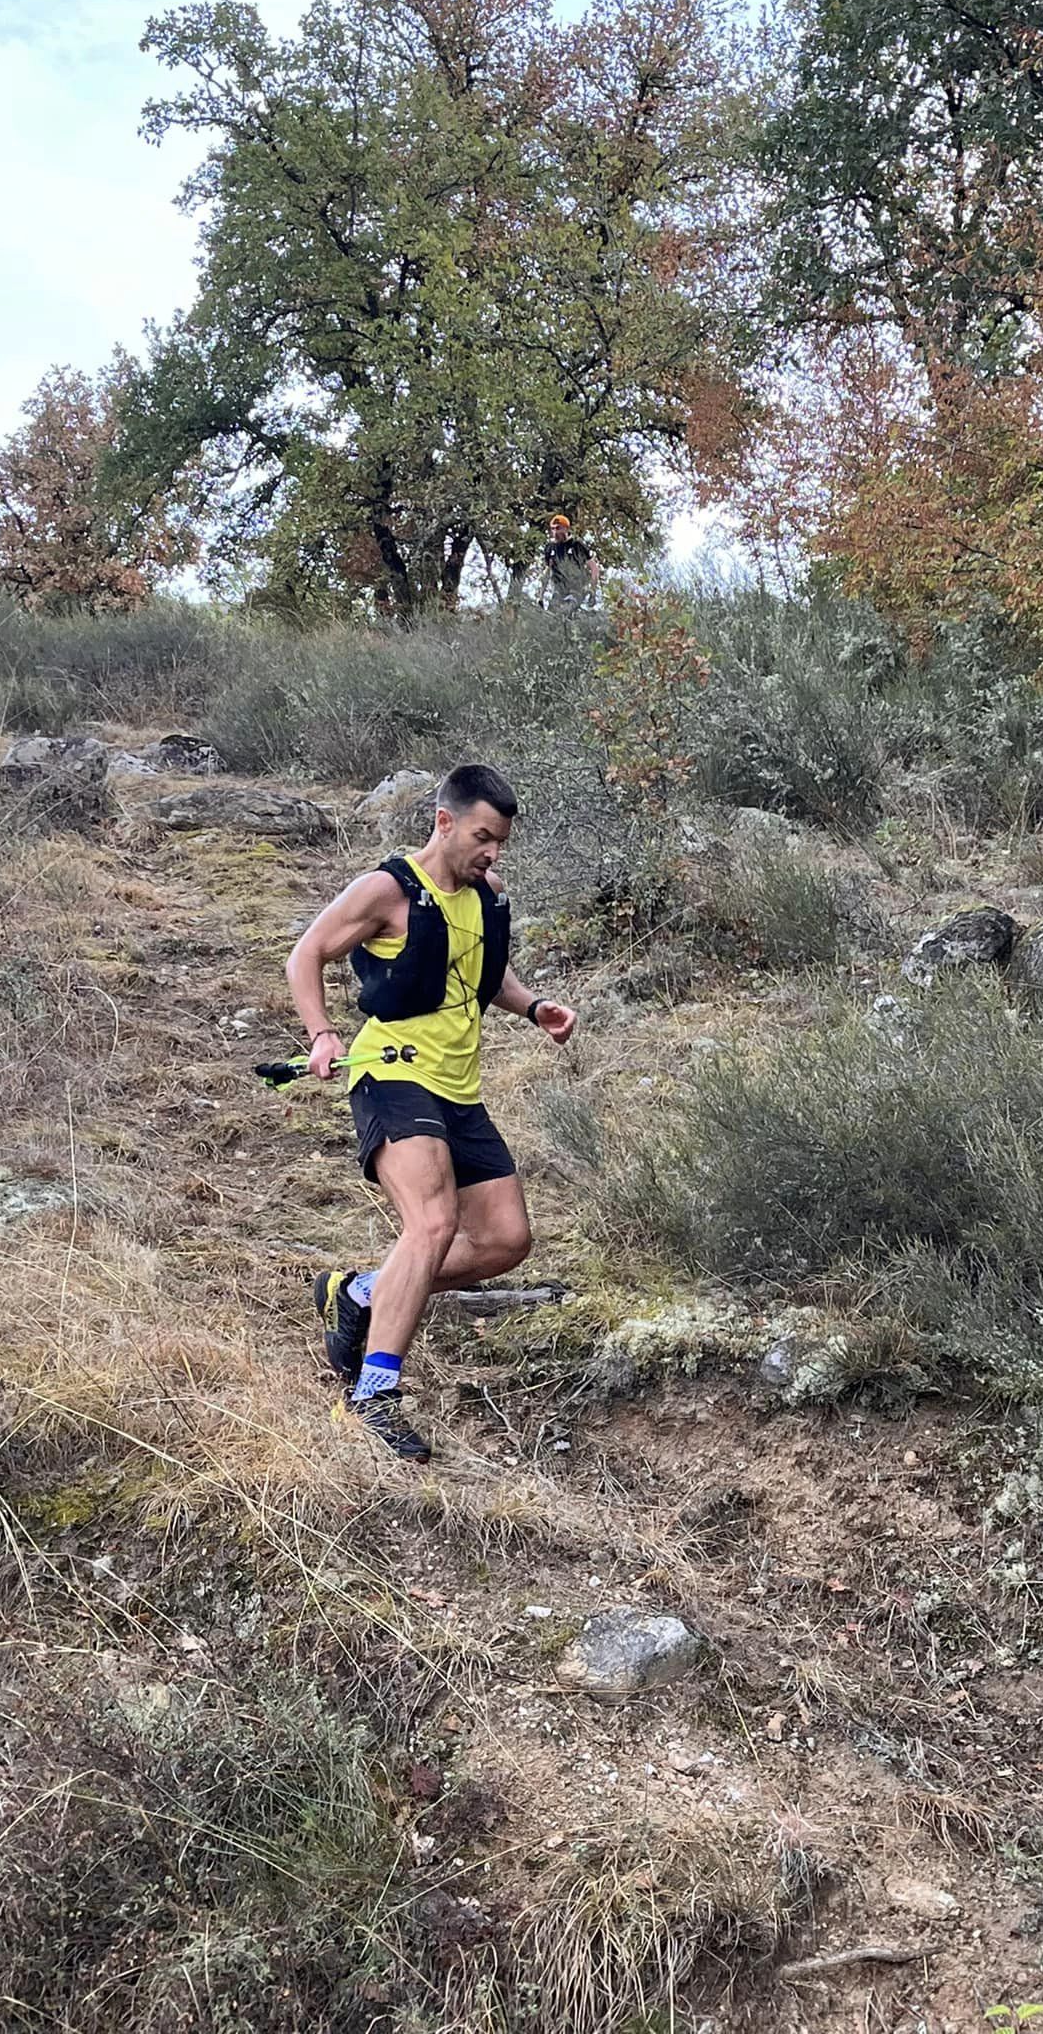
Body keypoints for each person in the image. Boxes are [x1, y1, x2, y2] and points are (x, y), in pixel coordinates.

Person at [284, 762, 578, 1461]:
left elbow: (482, 974)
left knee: (505, 1240)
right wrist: (321, 1034)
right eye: (482, 837)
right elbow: (307, 954)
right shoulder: (387, 890)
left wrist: (533, 1006)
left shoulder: (487, 894)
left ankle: (360, 1293)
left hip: (458, 1089)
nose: (493, 853)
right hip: (389, 1073)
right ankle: (373, 1397)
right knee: (434, 1223)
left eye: (500, 842)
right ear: (444, 822)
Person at [541, 513, 600, 608]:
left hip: (575, 589)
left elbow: (594, 568)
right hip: (558, 590)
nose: (555, 532)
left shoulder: (576, 545)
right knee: (552, 612)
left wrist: (593, 590)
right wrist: (540, 596)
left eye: (558, 528)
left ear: (566, 528)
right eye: (553, 529)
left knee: (567, 608)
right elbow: (547, 571)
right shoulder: (550, 547)